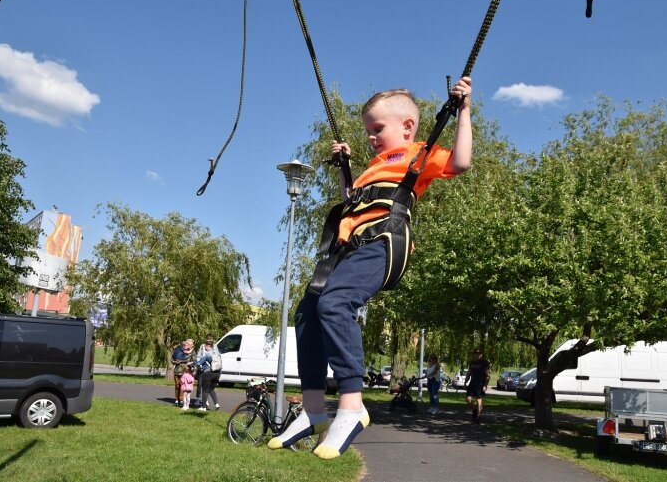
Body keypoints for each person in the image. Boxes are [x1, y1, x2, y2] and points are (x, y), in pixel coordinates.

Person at [267, 77, 473, 459]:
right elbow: (352, 201)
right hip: (348, 249)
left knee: (335, 304)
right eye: (368, 132)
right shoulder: (373, 167)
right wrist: (346, 166)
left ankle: (351, 405)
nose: (372, 138)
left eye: (377, 129)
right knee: (308, 314)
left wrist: (463, 110)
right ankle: (313, 410)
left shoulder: (418, 154)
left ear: (407, 127)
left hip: (382, 243)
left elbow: (461, 162)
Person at [194, 339, 221, 411]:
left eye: (205, 345)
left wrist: (193, 364)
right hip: (217, 373)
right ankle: (216, 404)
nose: (204, 347)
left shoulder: (207, 354)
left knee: (205, 390)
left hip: (208, 373)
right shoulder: (218, 354)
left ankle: (203, 407)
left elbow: (199, 363)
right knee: (211, 389)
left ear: (208, 346)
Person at [464, 349, 490, 424]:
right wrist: (465, 383)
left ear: (481, 355)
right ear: (474, 354)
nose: (478, 355)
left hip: (480, 385)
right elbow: (469, 373)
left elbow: (488, 376)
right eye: (476, 353)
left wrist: (485, 385)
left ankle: (478, 417)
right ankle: (475, 409)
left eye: (479, 353)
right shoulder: (472, 363)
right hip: (472, 384)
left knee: (479, 401)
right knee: (468, 400)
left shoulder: (484, 363)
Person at [171, 339, 195, 406]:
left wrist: (187, 363)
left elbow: (194, 360)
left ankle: (182, 399)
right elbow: (172, 359)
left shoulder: (191, 352)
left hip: (185, 371)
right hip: (177, 370)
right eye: (184, 345)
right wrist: (175, 362)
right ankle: (177, 399)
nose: (186, 346)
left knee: (183, 386)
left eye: (187, 345)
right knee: (177, 386)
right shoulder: (178, 351)